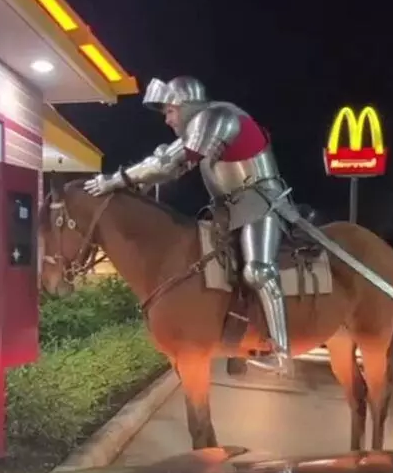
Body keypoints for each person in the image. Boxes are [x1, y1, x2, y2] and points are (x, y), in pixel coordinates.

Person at [84, 76, 295, 376]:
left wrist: (115, 180)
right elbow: (169, 169)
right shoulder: (202, 131)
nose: (168, 119)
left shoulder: (215, 118)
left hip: (260, 202)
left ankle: (282, 352)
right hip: (229, 210)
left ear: (187, 106)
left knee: (258, 270)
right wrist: (137, 183)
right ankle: (234, 333)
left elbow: (166, 164)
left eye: (170, 111)